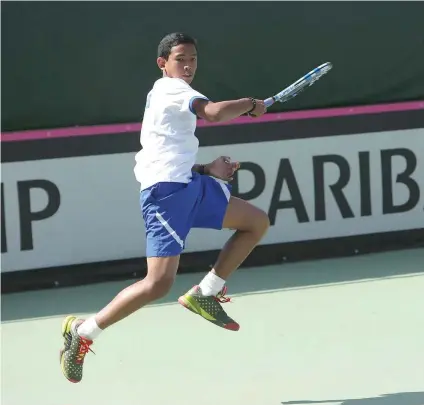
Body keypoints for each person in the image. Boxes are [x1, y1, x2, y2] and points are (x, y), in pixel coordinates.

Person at [59, 32, 270, 383]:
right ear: (163, 64)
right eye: (180, 59)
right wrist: (250, 103)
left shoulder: (168, 94)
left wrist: (206, 169)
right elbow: (214, 114)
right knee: (158, 284)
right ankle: (84, 332)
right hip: (166, 198)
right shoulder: (173, 89)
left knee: (255, 222)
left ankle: (207, 292)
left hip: (189, 184)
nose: (188, 66)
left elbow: (168, 152)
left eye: (193, 60)